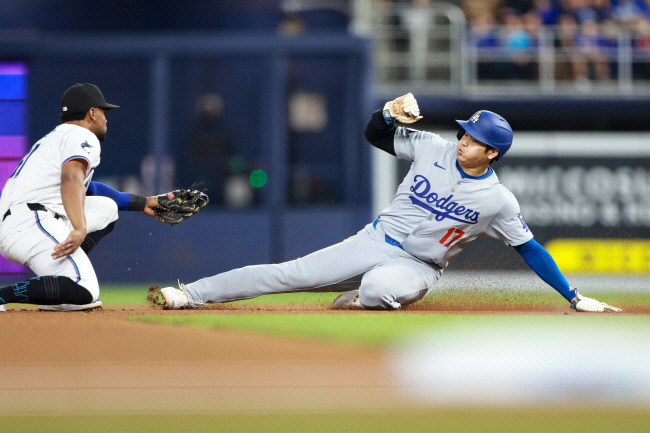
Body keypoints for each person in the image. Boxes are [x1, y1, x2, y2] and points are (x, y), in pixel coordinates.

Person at [158, 93, 621, 313]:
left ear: (492, 152)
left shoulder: (498, 200)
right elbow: (375, 134)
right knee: (289, 273)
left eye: (475, 139)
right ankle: (191, 293)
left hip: (419, 266)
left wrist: (574, 296)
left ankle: (362, 297)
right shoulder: (431, 146)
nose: (464, 140)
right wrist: (385, 114)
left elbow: (530, 249)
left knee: (380, 290)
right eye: (464, 131)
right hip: (374, 240)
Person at [1, 83, 167, 311]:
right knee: (85, 290)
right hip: (31, 221)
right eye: (103, 112)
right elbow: (71, 179)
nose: (106, 120)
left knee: (107, 209)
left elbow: (88, 188)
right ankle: (4, 294)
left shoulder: (57, 137)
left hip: (24, 219)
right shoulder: (81, 135)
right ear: (91, 113)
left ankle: (60, 281)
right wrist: (79, 228)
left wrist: (143, 202)